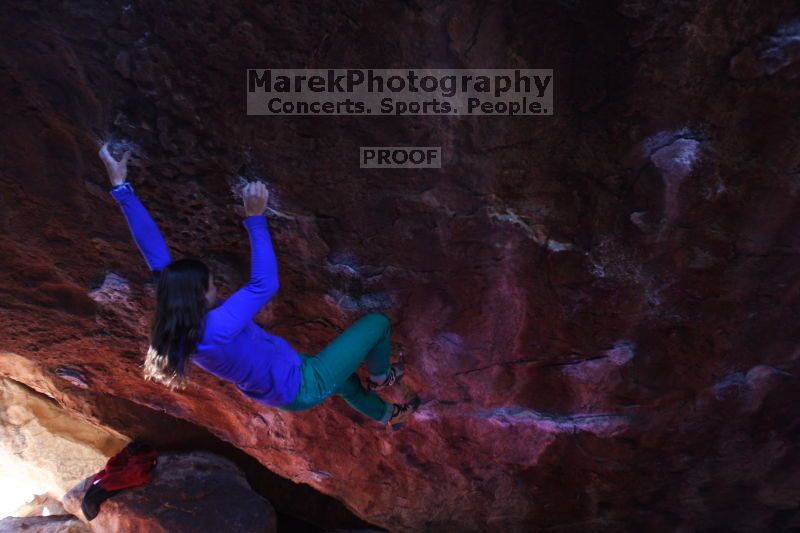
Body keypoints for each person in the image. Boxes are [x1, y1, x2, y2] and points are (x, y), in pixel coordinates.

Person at [99, 142, 419, 428]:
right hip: (302, 383)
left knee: (346, 381)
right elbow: (264, 284)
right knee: (377, 324)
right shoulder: (213, 329)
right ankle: (380, 378)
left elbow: (154, 253)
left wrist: (121, 187)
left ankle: (387, 415)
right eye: (211, 284)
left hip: (285, 382)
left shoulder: (180, 316)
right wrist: (255, 217)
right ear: (198, 295)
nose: (216, 288)